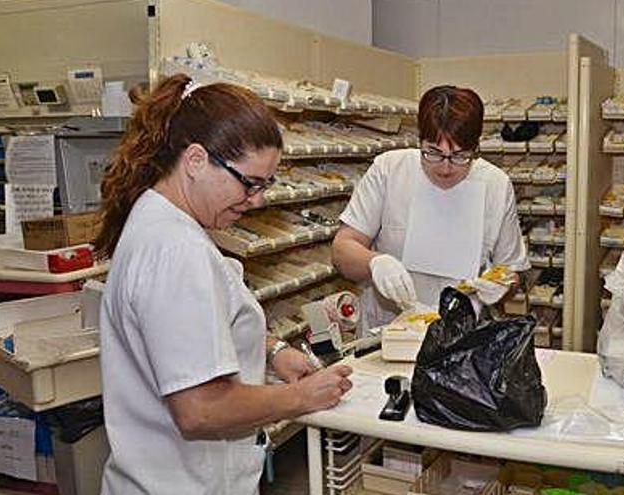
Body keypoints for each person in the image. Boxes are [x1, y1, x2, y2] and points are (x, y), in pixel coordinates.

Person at [96, 74, 353, 495]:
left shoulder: (161, 218)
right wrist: (302, 397)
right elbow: (200, 408)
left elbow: (196, 330)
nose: (258, 200)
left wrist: (273, 351)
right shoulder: (176, 249)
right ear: (196, 160)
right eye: (250, 183)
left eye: (267, 185)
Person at [332, 85, 530, 332]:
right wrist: (375, 262)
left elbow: (512, 271)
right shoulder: (390, 170)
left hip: (462, 334)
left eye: (460, 156)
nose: (445, 168)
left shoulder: (496, 185)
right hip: (390, 331)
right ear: (419, 141)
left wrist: (501, 285)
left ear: (476, 148)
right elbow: (342, 250)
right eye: (433, 153)